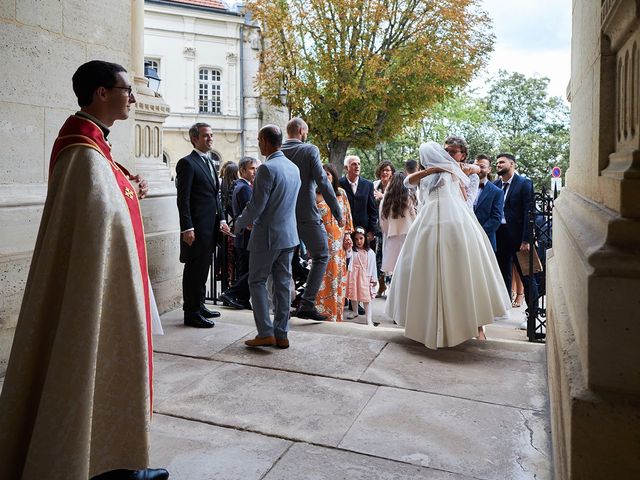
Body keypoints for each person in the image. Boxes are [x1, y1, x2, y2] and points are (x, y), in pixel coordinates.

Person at [0, 60, 168, 479]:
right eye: (126, 89)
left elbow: (106, 198)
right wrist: (123, 188)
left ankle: (114, 460)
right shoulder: (82, 151)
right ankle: (102, 466)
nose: (132, 97)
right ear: (100, 93)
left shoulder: (93, 147)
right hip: (92, 293)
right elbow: (99, 215)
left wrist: (130, 185)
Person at [386, 142, 510, 349]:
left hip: (454, 219)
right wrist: (434, 169)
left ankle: (475, 326)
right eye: (447, 152)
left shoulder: (457, 167)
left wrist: (464, 167)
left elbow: (479, 169)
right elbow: (408, 181)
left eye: (453, 152)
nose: (449, 155)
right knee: (426, 270)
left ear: (461, 154)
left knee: (461, 269)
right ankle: (428, 325)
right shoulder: (427, 173)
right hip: (429, 219)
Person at [236, 125, 301, 348]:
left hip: (267, 237)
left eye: (258, 140)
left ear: (265, 141)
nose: (258, 143)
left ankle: (265, 332)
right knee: (282, 285)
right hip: (289, 236)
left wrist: (240, 223)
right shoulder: (293, 168)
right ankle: (281, 333)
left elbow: (256, 206)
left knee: (257, 281)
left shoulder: (267, 169)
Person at [281, 117, 343, 321]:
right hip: (306, 213)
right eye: (306, 131)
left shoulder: (277, 150)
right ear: (300, 130)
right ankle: (307, 304)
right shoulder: (309, 150)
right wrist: (337, 211)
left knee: (283, 260)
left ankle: (282, 306)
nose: (306, 135)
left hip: (283, 214)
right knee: (321, 255)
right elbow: (323, 181)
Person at [176, 122, 230, 328]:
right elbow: (183, 199)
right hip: (196, 229)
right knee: (194, 270)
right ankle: (191, 313)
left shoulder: (209, 162)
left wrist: (223, 219)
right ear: (194, 139)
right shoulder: (187, 163)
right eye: (205, 136)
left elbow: (216, 196)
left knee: (203, 269)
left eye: (211, 135)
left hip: (211, 227)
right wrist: (187, 227)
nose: (210, 139)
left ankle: (200, 305)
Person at [493, 153, 538, 318]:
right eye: (497, 162)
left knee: (527, 275)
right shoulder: (495, 184)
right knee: (502, 274)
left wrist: (526, 239)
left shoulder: (524, 184)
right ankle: (503, 309)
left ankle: (532, 315)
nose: (498, 165)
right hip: (500, 235)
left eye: (502, 162)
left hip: (519, 238)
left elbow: (529, 213)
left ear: (512, 164)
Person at [339, 155, 378, 315]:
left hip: (363, 231)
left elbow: (372, 209)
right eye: (353, 164)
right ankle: (346, 298)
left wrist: (372, 231)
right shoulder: (339, 184)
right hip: (345, 231)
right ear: (347, 168)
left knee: (361, 267)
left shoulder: (367, 184)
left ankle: (360, 300)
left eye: (359, 164)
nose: (357, 166)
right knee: (347, 264)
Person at [315, 163, 354, 322]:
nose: (325, 177)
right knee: (321, 277)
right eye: (322, 175)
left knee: (337, 278)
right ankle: (321, 312)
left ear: (334, 177)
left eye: (328, 174)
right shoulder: (315, 194)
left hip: (338, 245)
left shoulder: (341, 194)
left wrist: (347, 235)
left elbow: (347, 217)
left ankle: (336, 314)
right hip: (321, 242)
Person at [220, 156, 258, 310]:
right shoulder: (244, 188)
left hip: (242, 236)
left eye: (256, 168)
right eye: (252, 168)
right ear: (242, 170)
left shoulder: (242, 186)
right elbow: (249, 214)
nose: (255, 171)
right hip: (246, 236)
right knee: (252, 270)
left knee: (246, 270)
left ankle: (242, 299)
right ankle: (230, 293)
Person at [379, 172, 417, 275]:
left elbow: (383, 222)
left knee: (396, 272)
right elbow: (414, 217)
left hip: (393, 238)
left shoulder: (386, 199)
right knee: (409, 270)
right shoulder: (409, 197)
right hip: (408, 235)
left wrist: (388, 232)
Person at [345, 227, 378, 325]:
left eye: (361, 238)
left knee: (366, 298)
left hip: (365, 277)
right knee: (353, 295)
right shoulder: (353, 250)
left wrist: (374, 278)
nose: (358, 241)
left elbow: (373, 267)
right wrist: (348, 248)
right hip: (353, 275)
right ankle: (355, 311)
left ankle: (369, 319)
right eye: (356, 239)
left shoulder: (370, 253)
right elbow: (347, 256)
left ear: (365, 238)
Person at [372, 160, 395, 296]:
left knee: (389, 255)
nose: (385, 172)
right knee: (377, 256)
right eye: (383, 170)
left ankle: (391, 287)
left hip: (390, 226)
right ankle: (381, 286)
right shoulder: (375, 185)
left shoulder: (394, 186)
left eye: (387, 170)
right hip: (376, 225)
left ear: (392, 172)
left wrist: (383, 196)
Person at [473, 154, 503, 251]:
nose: (478, 169)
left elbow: (496, 218)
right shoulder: (463, 186)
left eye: (482, 167)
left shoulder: (497, 192)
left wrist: (478, 233)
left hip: (486, 241)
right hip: (464, 239)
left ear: (489, 170)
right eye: (476, 165)